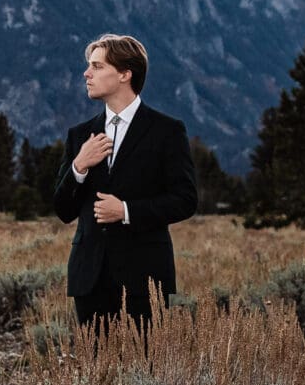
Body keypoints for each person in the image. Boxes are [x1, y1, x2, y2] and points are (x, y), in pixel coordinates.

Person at [50, 32, 198, 331]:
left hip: (145, 279)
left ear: (124, 74)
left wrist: (127, 211)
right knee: (97, 373)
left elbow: (186, 200)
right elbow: (63, 210)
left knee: (143, 372)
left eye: (97, 66)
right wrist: (79, 165)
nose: (86, 73)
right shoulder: (80, 135)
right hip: (89, 278)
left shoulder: (166, 131)